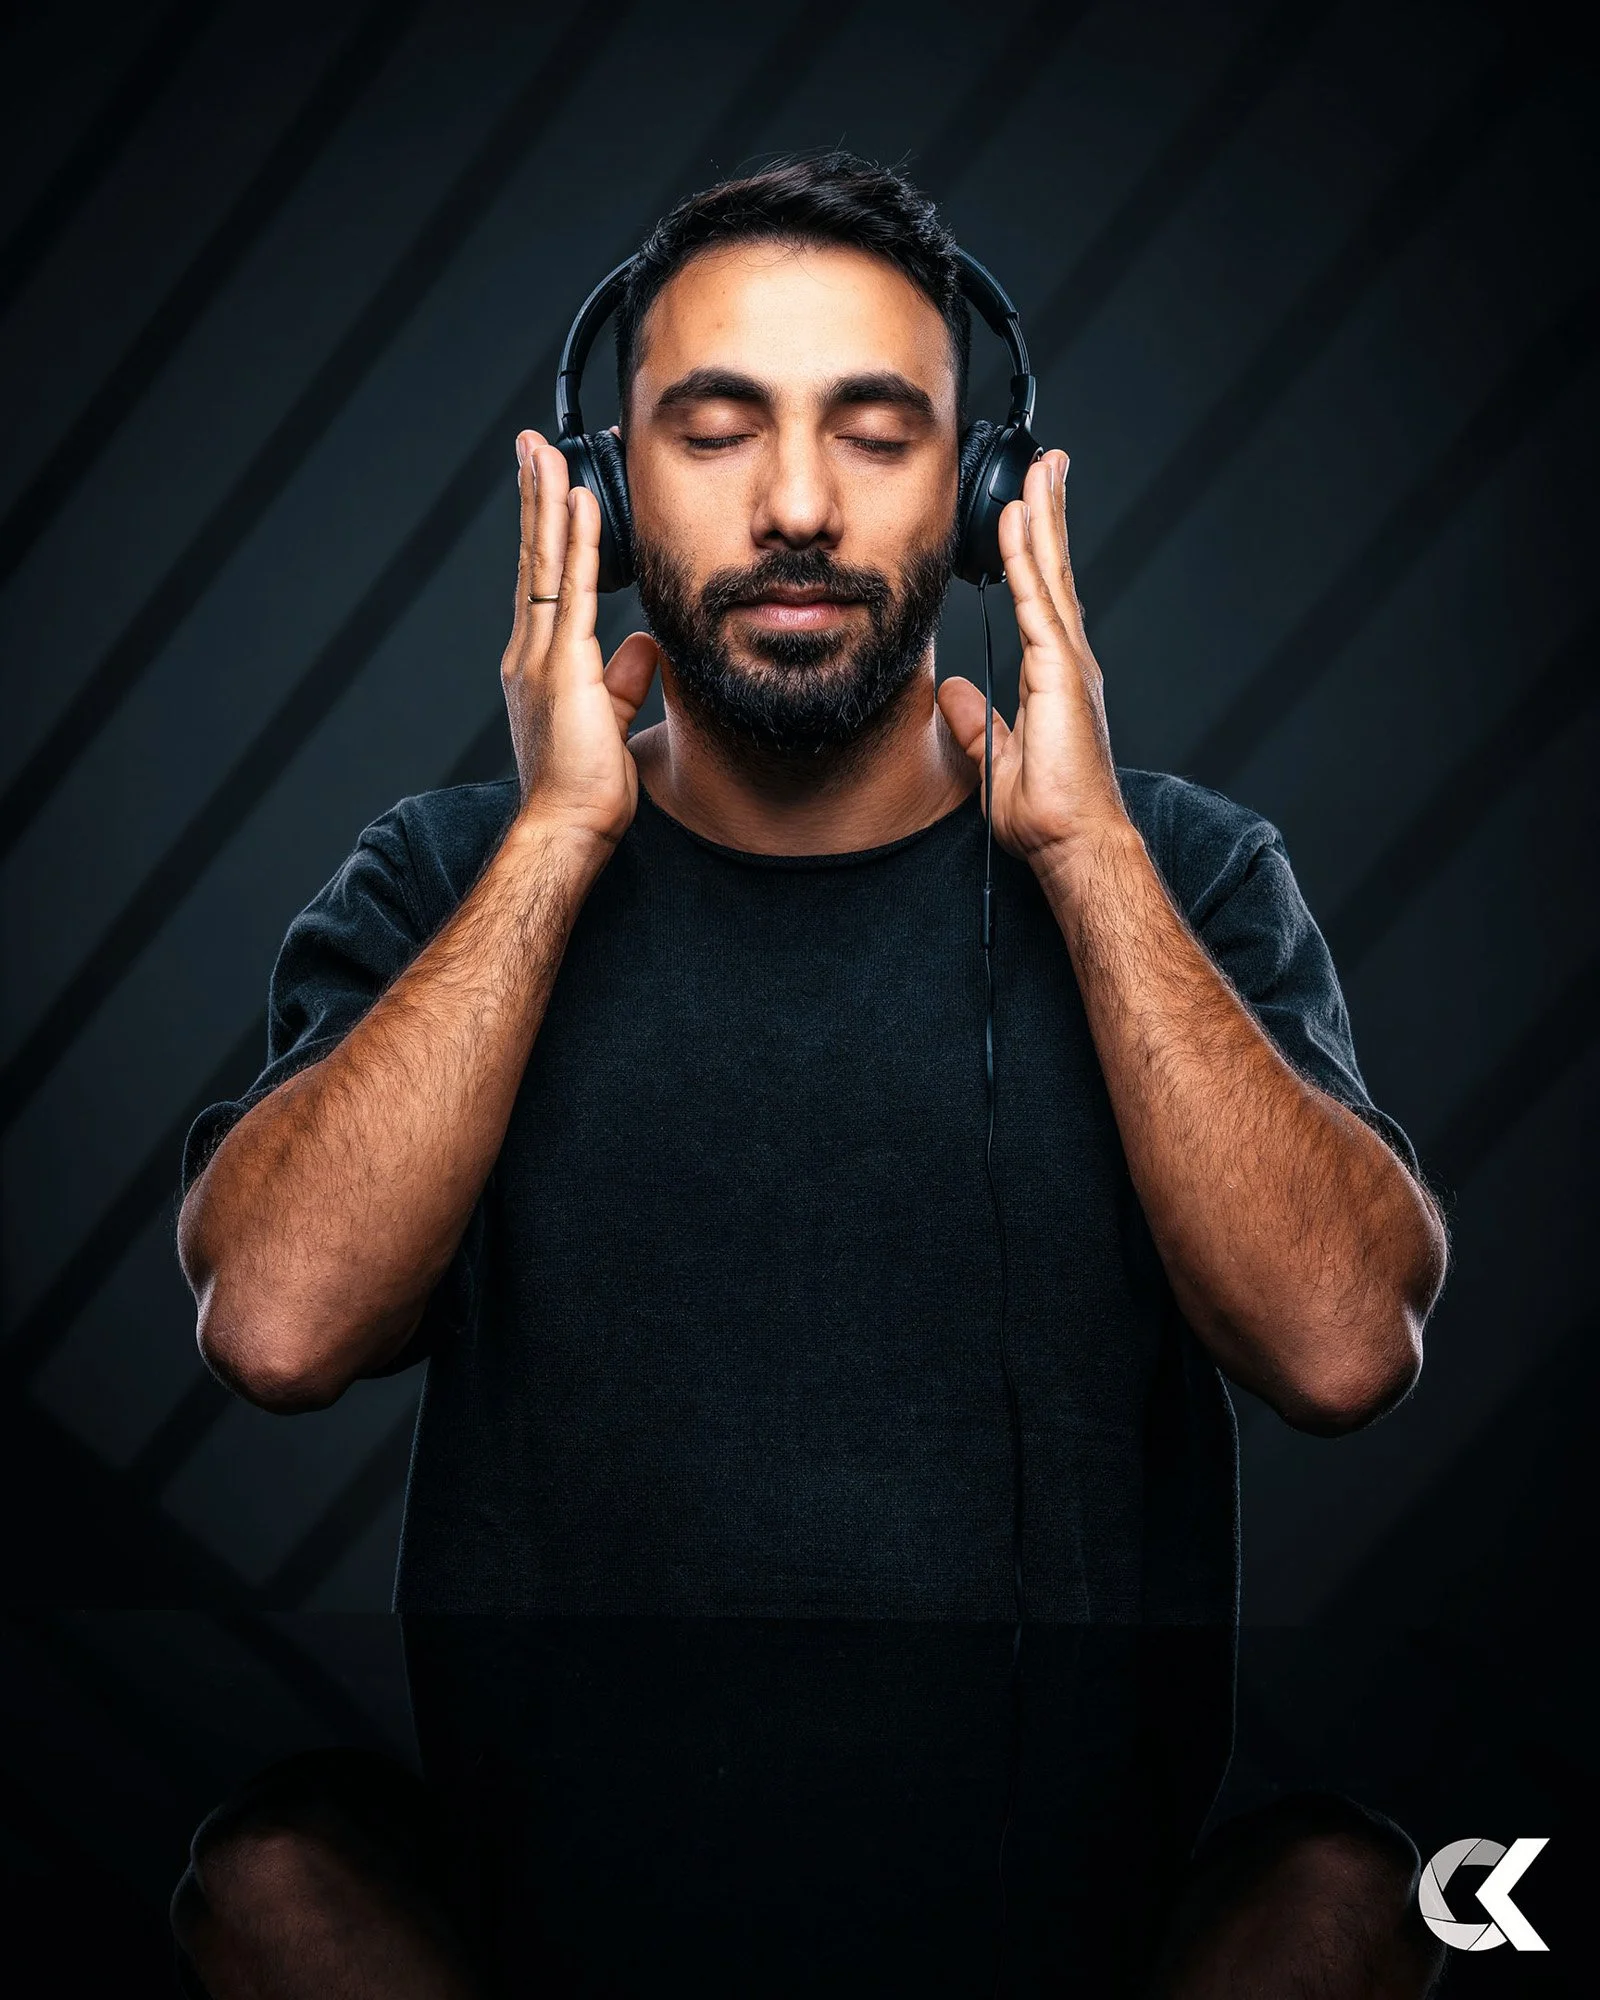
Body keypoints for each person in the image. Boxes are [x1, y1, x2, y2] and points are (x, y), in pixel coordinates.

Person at [171, 154, 1448, 1997]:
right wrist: (551, 842)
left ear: (988, 488)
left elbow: (1346, 1348)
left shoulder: (1182, 875)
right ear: (604, 495)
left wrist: (1087, 859)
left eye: (875, 433)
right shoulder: (448, 880)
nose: (793, 508)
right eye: (714, 430)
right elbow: (272, 1324)